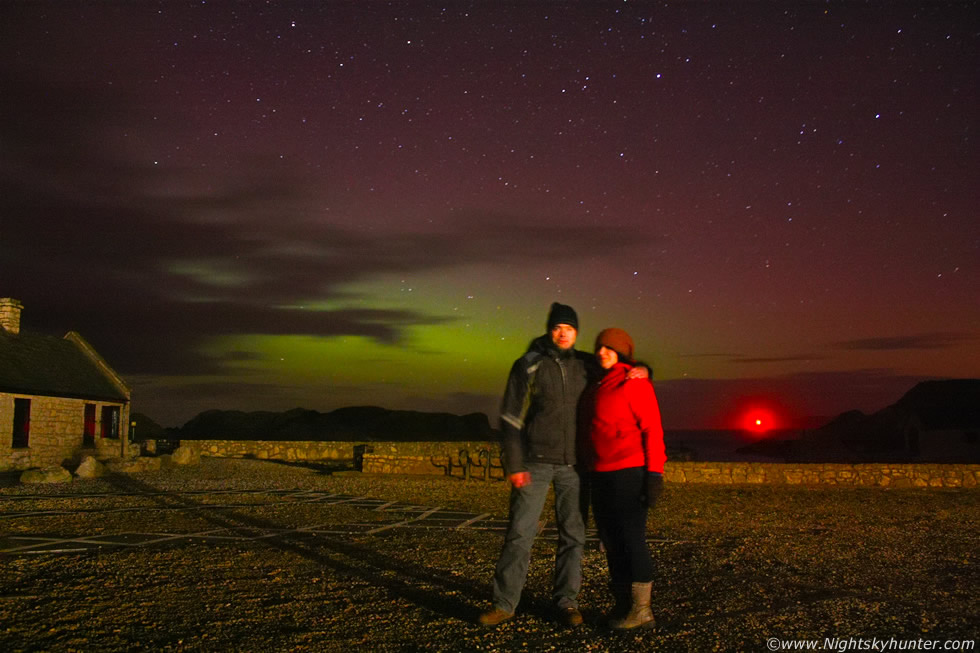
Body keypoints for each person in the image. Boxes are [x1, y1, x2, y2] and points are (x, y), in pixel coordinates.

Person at [478, 302, 590, 627]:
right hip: (535, 463)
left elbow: (618, 367)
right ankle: (504, 604)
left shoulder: (586, 365)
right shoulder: (529, 363)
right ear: (549, 329)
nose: (563, 333)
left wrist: (643, 370)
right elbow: (511, 417)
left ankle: (567, 603)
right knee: (520, 534)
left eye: (569, 328)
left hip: (575, 467)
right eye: (558, 327)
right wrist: (514, 463)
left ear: (576, 331)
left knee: (574, 536)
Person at [579, 327, 666, 630]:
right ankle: (623, 607)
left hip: (629, 472)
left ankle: (642, 610)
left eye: (609, 348)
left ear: (622, 353)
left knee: (631, 539)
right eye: (599, 347)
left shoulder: (634, 383)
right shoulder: (597, 382)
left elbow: (652, 429)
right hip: (599, 474)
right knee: (611, 542)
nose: (602, 352)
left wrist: (655, 473)